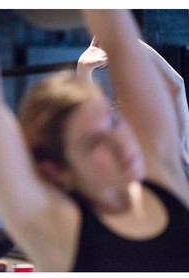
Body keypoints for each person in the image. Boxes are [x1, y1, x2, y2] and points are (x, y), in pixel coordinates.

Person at [0, 9, 189, 271]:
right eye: (94, 143)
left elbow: (122, 43)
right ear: (57, 169)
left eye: (113, 122)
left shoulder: (163, 174)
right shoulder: (59, 232)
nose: (120, 145)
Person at [77, 36, 189, 179]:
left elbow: (177, 87)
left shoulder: (174, 156)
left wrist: (84, 69)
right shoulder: (177, 153)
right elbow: (176, 86)